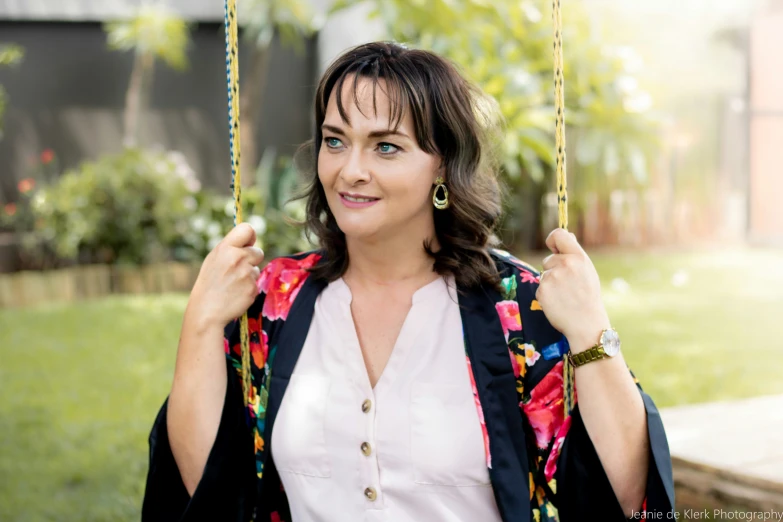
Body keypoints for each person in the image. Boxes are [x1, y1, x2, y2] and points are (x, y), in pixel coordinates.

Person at [141, 41, 674, 522]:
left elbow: (626, 500)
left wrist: (592, 333)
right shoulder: (274, 302)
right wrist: (202, 320)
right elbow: (204, 488)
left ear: (441, 164)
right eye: (335, 140)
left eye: (386, 146)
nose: (350, 169)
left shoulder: (520, 307)